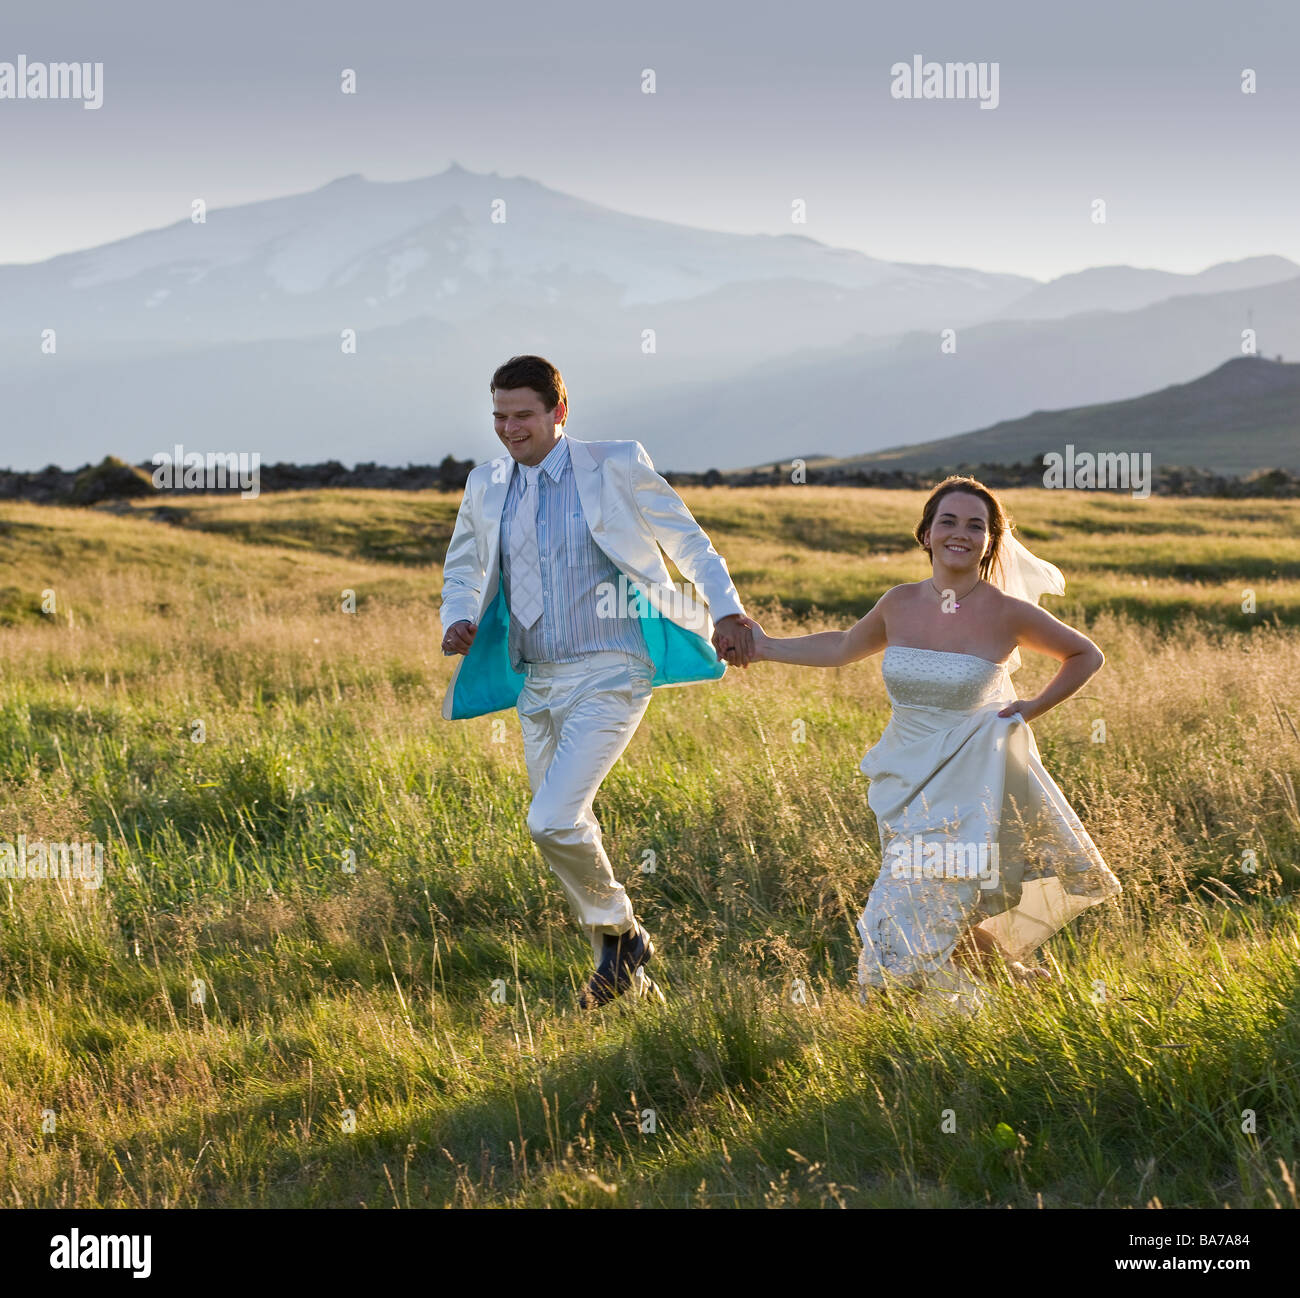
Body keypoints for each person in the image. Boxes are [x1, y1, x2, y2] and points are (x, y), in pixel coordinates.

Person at [735, 476, 1121, 1014]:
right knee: (946, 914)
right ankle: (1031, 989)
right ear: (926, 533)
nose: (961, 533)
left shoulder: (1006, 612)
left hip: (969, 784)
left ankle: (920, 1022)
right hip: (906, 778)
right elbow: (845, 646)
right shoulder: (900, 603)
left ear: (991, 541)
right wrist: (765, 647)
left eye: (976, 526)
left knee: (895, 922)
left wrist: (1030, 708)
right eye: (948, 521)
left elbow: (1085, 654)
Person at [438, 355, 754, 1008]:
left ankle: (620, 934)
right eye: (499, 416)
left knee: (549, 818)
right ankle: (629, 964)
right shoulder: (487, 483)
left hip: (613, 669)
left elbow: (688, 541)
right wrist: (459, 616)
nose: (509, 429)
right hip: (535, 680)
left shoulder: (614, 464)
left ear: (559, 411)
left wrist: (725, 608)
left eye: (523, 415)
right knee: (568, 823)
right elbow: (464, 562)